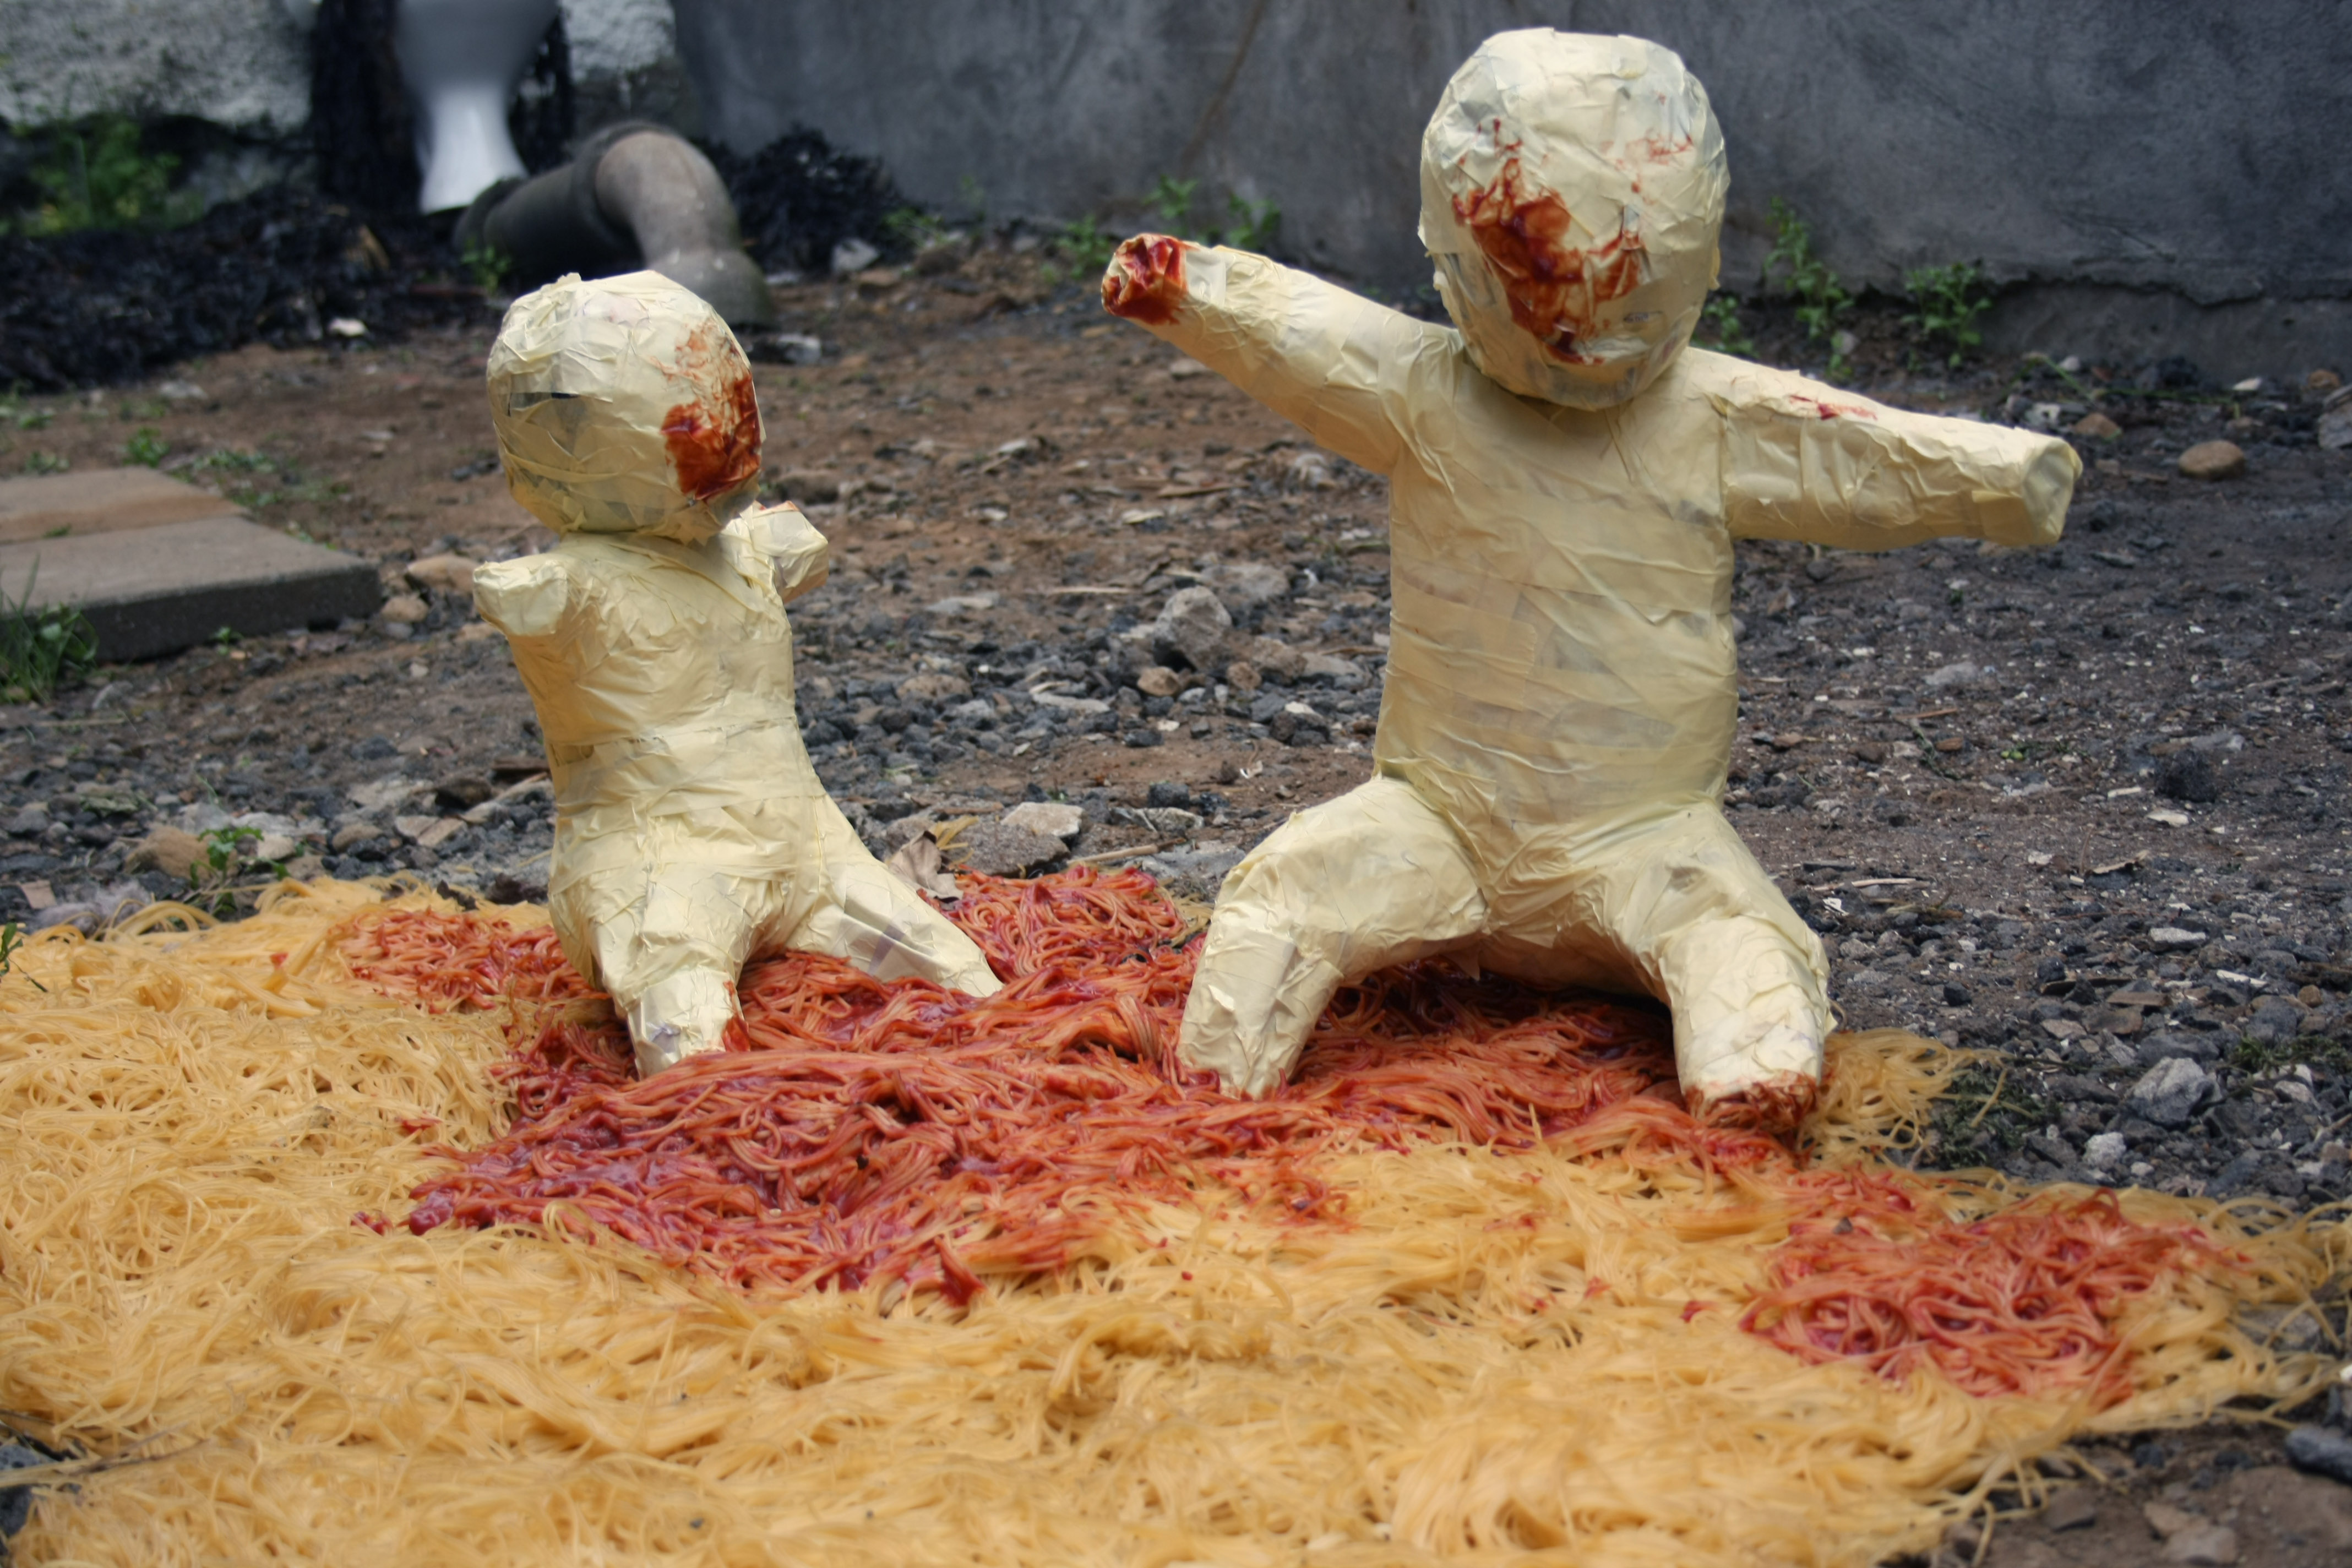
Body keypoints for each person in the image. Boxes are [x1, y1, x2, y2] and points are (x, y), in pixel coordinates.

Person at [1102, 30, 2077, 1128]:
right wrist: (1192, 289)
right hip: (1439, 821)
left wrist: (2002, 478)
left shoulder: (1706, 417)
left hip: (1642, 838)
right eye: (1533, 280)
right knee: (1289, 891)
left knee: (1730, 933)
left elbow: (1856, 453)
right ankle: (1216, 1095)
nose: (1573, 327)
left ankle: (1749, 1073)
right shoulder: (1427, 393)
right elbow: (1310, 337)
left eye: (1620, 291)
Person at [473, 270, 1001, 1077]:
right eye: (690, 422)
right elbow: (532, 600)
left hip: (809, 848)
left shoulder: (752, 549)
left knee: (973, 985)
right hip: (657, 869)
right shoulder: (567, 591)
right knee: (694, 1059)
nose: (727, 443)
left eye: (735, 408)